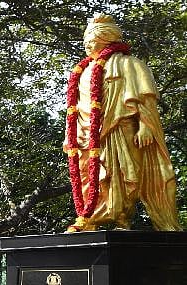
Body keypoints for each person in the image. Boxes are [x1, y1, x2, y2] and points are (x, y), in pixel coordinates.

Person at [64, 14, 181, 232]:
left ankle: (122, 218)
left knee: (124, 174)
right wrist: (70, 136)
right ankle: (88, 218)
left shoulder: (129, 64)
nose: (87, 45)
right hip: (86, 134)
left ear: (106, 40)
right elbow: (75, 108)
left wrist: (145, 126)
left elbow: (146, 98)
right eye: (85, 41)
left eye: (92, 41)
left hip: (120, 128)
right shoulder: (81, 72)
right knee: (88, 174)